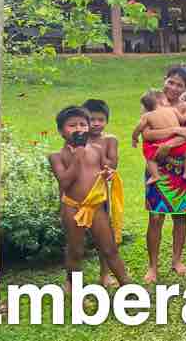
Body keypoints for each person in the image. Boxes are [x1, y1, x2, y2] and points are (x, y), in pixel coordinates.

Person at [48, 106, 128, 293]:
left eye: (83, 124)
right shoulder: (57, 157)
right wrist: (77, 156)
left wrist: (108, 173)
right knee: (76, 251)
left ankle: (128, 286)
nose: (79, 129)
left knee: (110, 249)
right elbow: (65, 182)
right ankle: (75, 289)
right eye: (72, 125)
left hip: (96, 207)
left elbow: (105, 170)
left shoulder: (97, 150)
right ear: (61, 131)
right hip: (73, 208)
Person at [143, 65, 186, 283]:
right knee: (156, 217)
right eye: (171, 82)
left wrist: (167, 145)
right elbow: (146, 132)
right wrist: (176, 131)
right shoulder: (152, 101)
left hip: (181, 165)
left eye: (180, 85)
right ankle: (152, 266)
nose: (174, 88)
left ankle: (176, 260)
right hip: (156, 166)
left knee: (180, 215)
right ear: (164, 79)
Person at [81, 99, 121, 287]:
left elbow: (112, 166)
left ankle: (105, 274)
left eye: (100, 119)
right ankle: (72, 280)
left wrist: (97, 151)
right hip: (79, 195)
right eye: (91, 120)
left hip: (100, 195)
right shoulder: (78, 138)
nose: (96, 123)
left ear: (106, 120)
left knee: (105, 238)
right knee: (76, 238)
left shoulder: (110, 140)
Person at [133, 90, 186, 185]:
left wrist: (134, 137)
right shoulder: (172, 109)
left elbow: (139, 127)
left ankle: (155, 175)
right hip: (177, 142)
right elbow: (183, 118)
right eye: (166, 100)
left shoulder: (147, 116)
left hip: (159, 144)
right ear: (161, 101)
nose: (168, 102)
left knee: (150, 158)